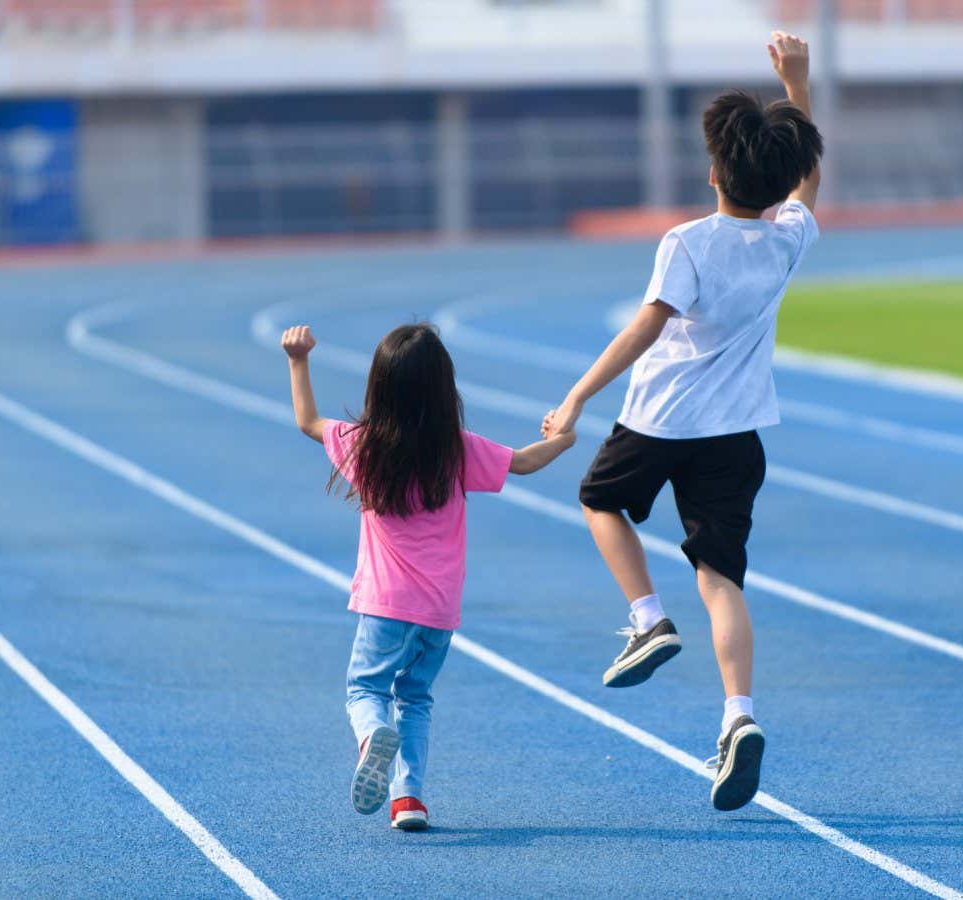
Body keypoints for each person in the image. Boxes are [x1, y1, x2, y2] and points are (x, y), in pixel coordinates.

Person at [541, 32, 824, 812]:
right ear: (778, 181)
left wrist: (576, 396)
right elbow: (808, 180)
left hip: (660, 422)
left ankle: (646, 620)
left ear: (712, 173)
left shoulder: (686, 242)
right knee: (722, 578)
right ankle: (740, 715)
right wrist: (797, 84)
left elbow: (646, 327)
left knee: (599, 501)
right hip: (737, 437)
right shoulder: (788, 239)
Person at [283, 322, 575, 831]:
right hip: (439, 611)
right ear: (444, 390)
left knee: (364, 692)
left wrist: (298, 360)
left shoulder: (362, 445)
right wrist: (563, 439)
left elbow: (308, 421)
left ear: (380, 386)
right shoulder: (456, 449)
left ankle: (373, 736)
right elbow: (525, 463)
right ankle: (408, 800)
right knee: (414, 698)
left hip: (384, 605)